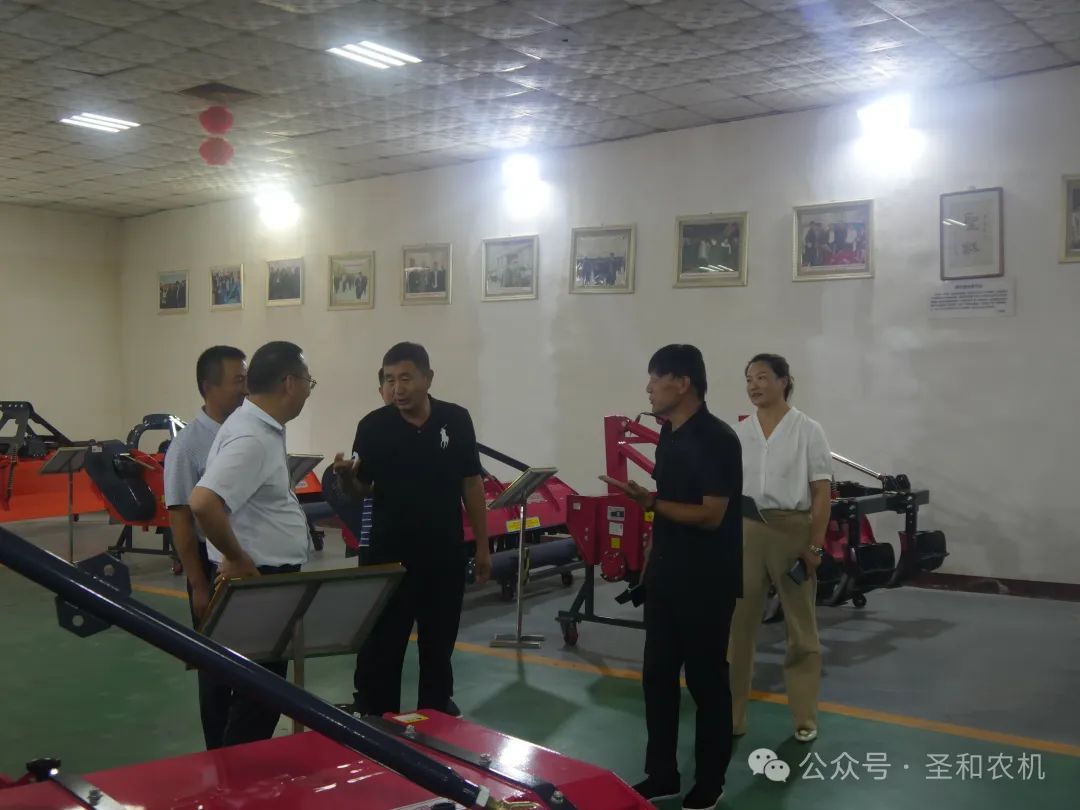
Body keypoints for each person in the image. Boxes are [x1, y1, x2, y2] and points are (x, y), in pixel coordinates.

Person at [602, 344, 742, 810]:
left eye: (655, 378)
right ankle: (661, 773)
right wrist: (650, 557)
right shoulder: (669, 435)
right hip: (666, 577)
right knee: (657, 679)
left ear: (682, 384)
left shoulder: (718, 439)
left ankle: (711, 781)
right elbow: (667, 505)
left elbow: (711, 514)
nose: (648, 388)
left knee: (706, 683)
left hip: (706, 582)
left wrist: (650, 502)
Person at [334, 342, 492, 717]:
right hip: (387, 558)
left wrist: (482, 546)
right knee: (382, 643)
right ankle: (376, 713)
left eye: (405, 378)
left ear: (428, 378)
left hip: (443, 554)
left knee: (439, 641)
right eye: (390, 380)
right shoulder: (373, 427)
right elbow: (360, 491)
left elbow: (471, 483)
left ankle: (435, 710)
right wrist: (346, 479)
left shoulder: (456, 420)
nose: (397, 388)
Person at [189, 340, 316, 746]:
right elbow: (203, 502)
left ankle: (234, 769)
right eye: (308, 381)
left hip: (264, 578)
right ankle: (237, 776)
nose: (309, 390)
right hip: (259, 580)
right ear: (289, 383)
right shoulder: (252, 437)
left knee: (253, 694)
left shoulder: (257, 427)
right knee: (257, 699)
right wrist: (237, 557)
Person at [728, 353, 832, 744]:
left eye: (762, 377)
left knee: (801, 631)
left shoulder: (808, 430)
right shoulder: (740, 433)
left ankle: (805, 718)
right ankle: (732, 717)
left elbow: (821, 493)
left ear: (783, 381)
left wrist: (814, 545)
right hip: (748, 531)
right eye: (748, 379)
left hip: (792, 531)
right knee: (738, 629)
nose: (753, 385)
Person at [163, 345, 247, 750]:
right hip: (212, 566)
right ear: (208, 386)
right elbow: (180, 517)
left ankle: (248, 748)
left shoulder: (246, 432)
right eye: (238, 381)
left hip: (247, 560)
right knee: (216, 668)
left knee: (253, 660)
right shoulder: (188, 446)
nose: (246, 389)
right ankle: (220, 753)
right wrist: (198, 583)